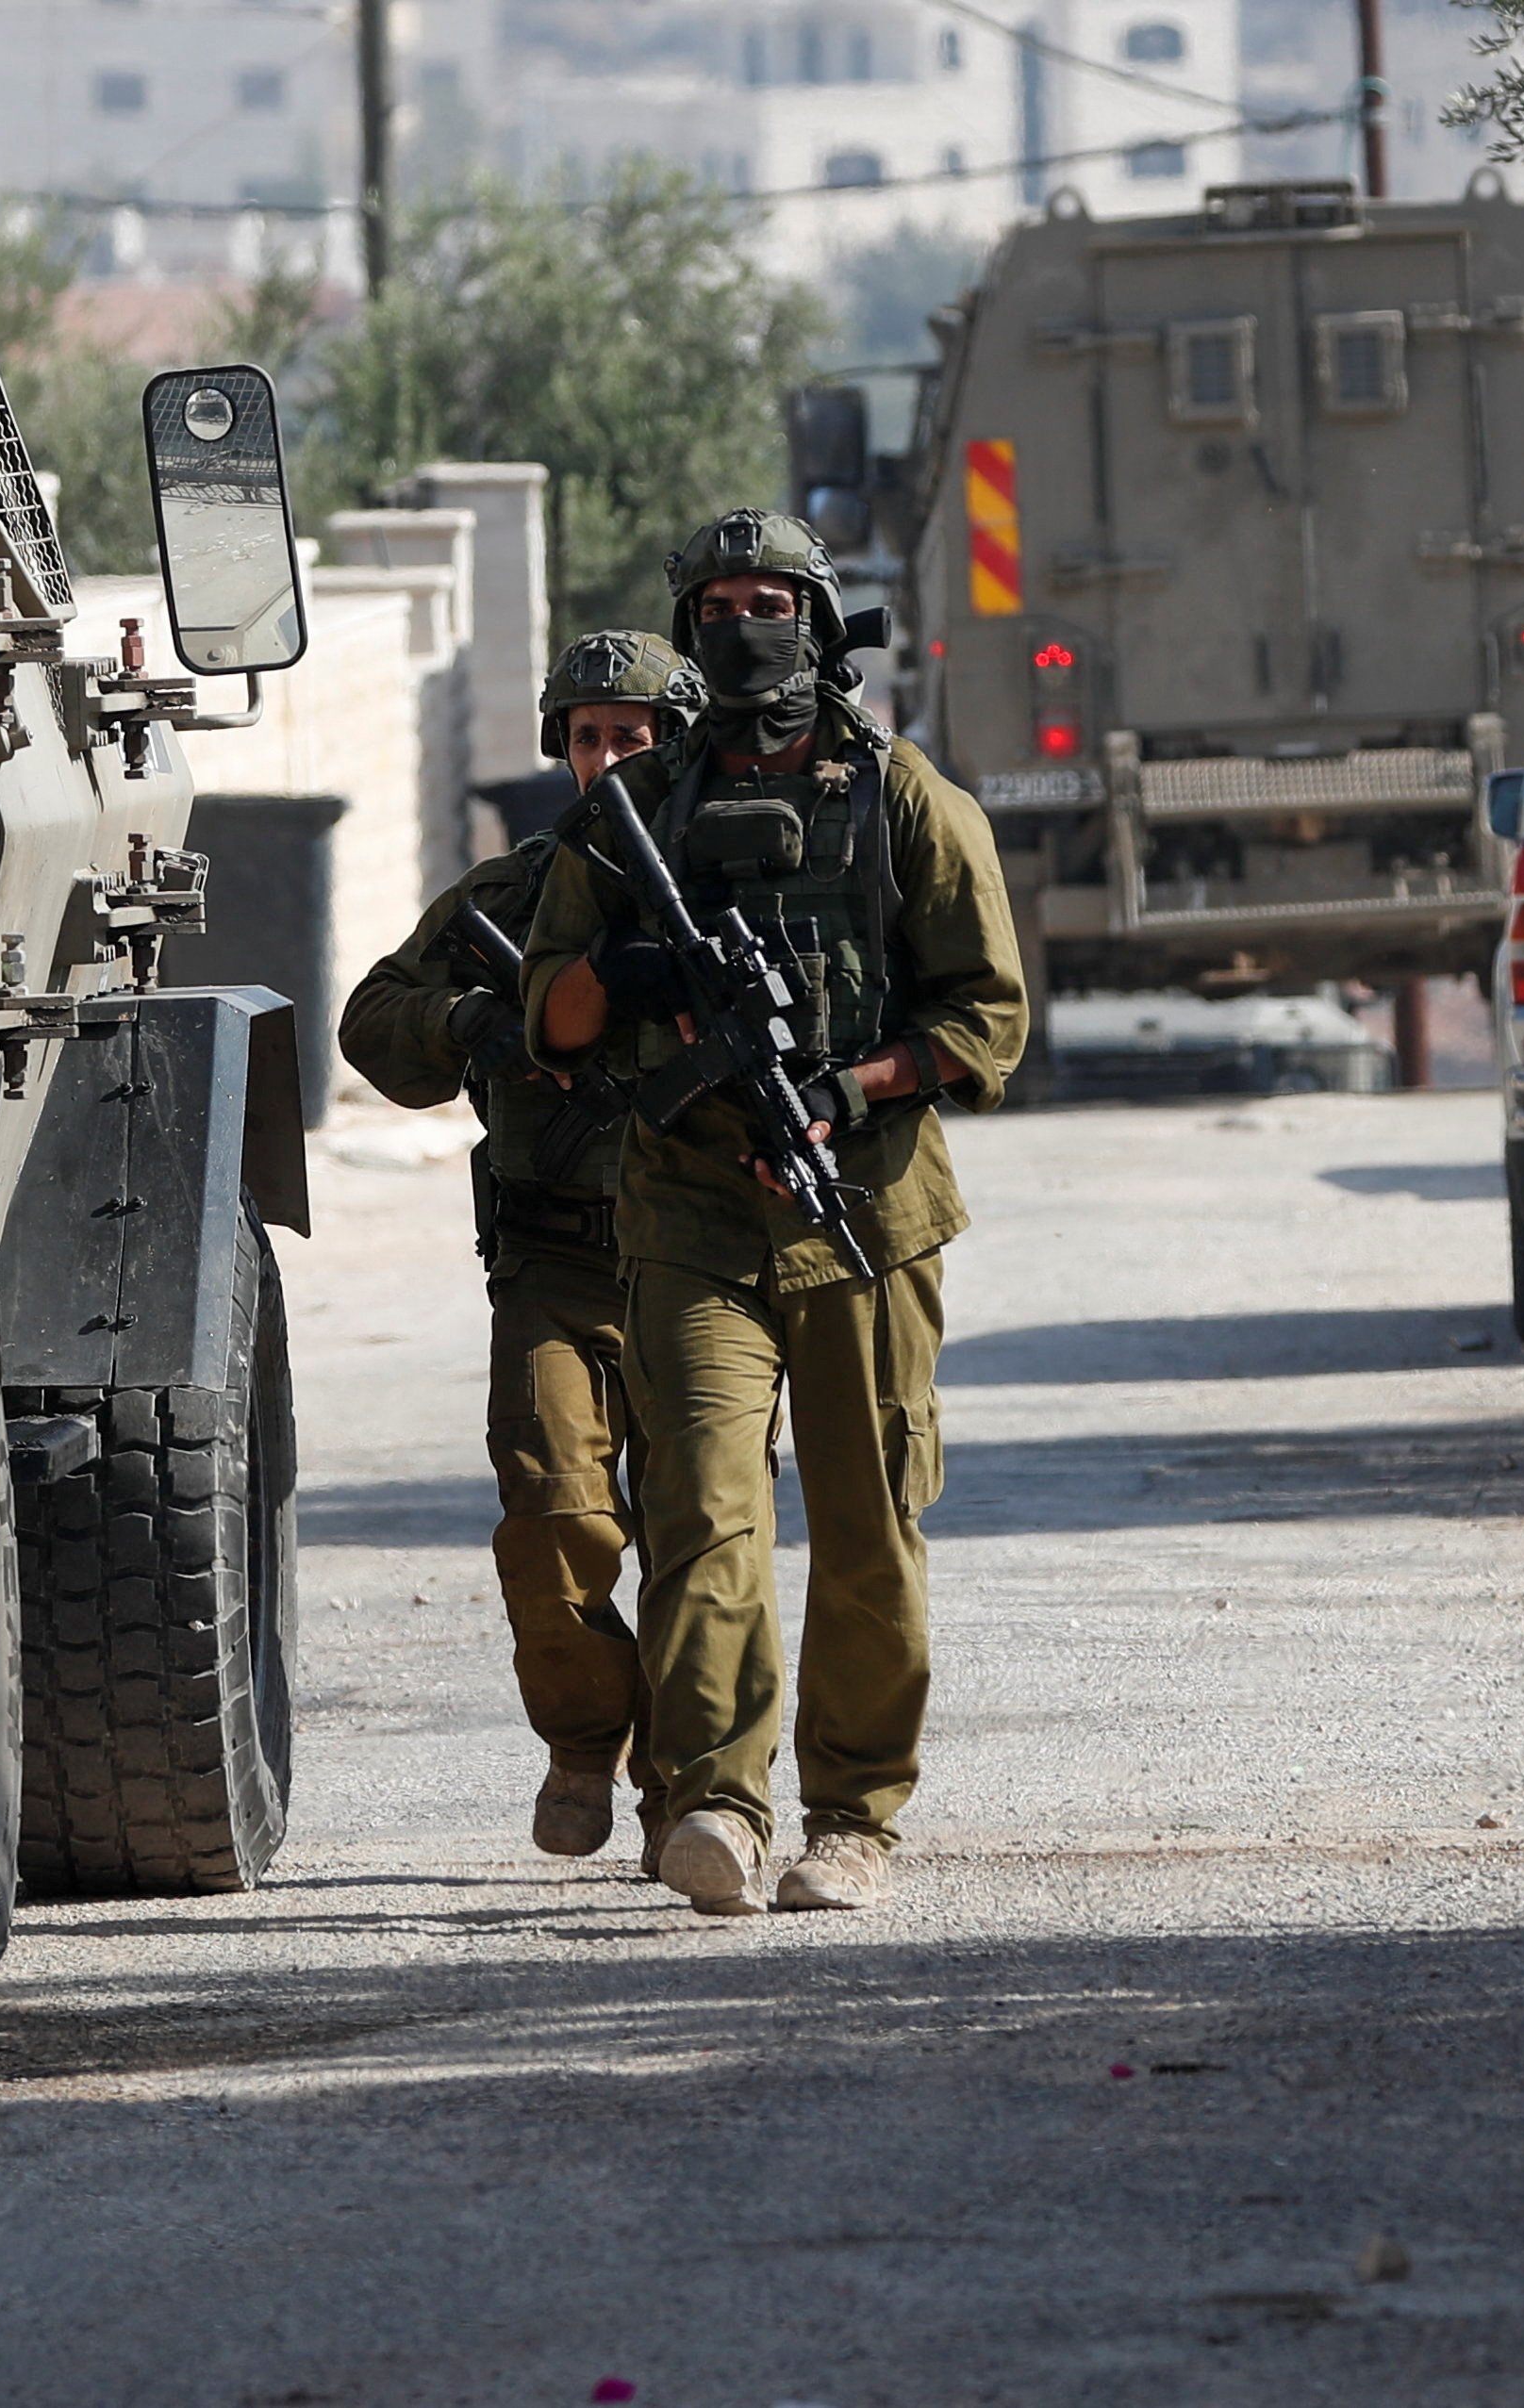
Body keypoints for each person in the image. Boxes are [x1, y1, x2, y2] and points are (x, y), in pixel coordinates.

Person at [521, 510, 1025, 1915]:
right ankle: (719, 1804)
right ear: (694, 633)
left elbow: (988, 1019)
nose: (749, 624)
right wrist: (630, 971)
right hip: (688, 1215)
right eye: (722, 603)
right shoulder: (636, 810)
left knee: (868, 1526)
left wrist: (849, 1086)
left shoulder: (902, 795)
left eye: (773, 600)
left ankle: (853, 1815)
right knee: (704, 1516)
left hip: (861, 1208)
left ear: (817, 619)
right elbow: (553, 1023)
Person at [338, 632, 705, 1866]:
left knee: (704, 1537)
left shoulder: (723, 889)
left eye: (634, 737)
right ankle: (585, 1737)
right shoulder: (511, 895)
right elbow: (373, 1018)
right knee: (555, 1520)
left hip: (697, 1265)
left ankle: (692, 1790)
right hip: (553, 1268)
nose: (609, 758)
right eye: (590, 736)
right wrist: (474, 1021)